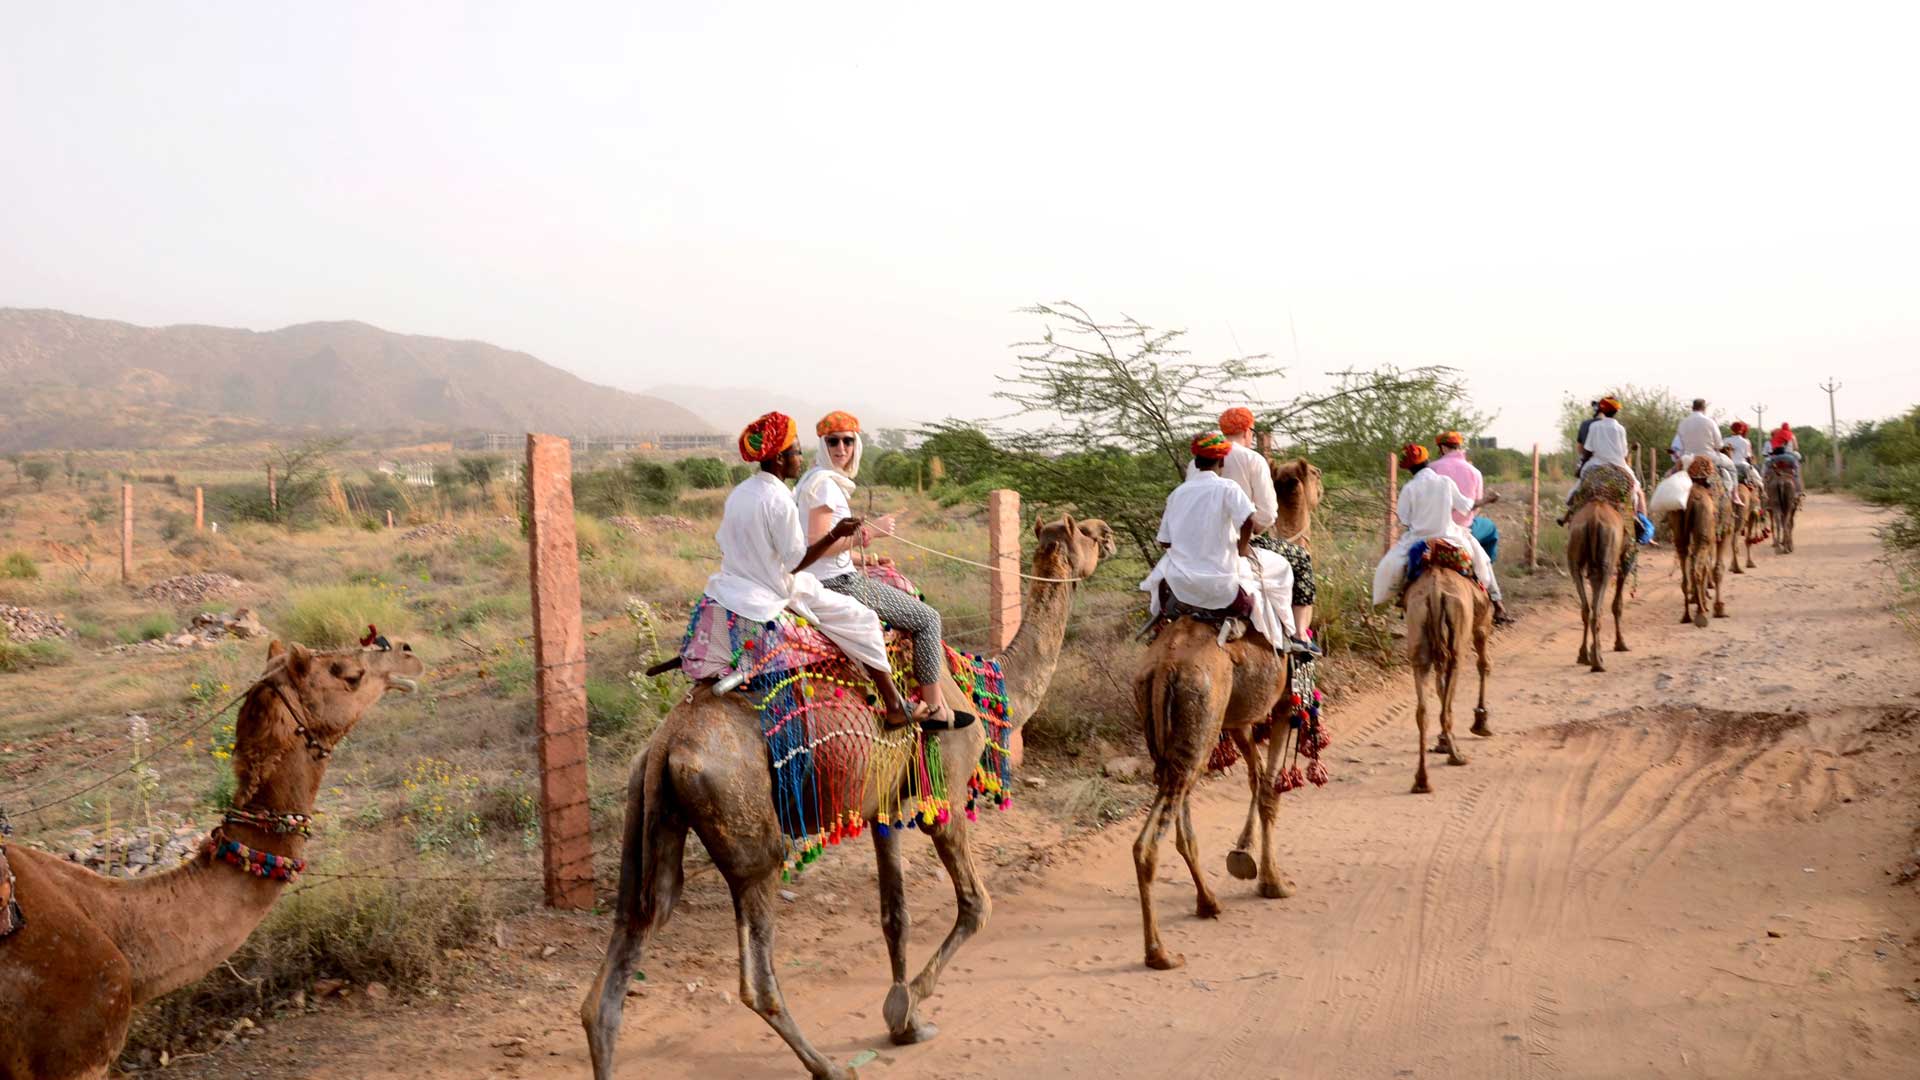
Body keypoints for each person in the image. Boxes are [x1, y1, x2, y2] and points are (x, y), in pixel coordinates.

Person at [705, 411, 931, 728]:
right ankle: (894, 705)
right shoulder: (779, 499)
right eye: (797, 452)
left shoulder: (741, 492)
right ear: (780, 459)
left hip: (730, 586)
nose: (802, 458)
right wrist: (838, 536)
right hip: (773, 589)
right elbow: (798, 560)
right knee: (863, 619)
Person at [794, 410, 952, 722]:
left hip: (826, 575)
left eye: (848, 441)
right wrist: (870, 534)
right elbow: (818, 544)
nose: (842, 449)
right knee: (928, 619)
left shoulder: (815, 481)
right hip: (837, 583)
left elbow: (820, 548)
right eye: (834, 442)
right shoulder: (825, 486)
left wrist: (869, 559)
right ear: (823, 445)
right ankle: (935, 710)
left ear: (857, 444)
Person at [1141, 431, 1307, 654]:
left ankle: (1161, 624)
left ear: (1196, 462)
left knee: (1162, 573)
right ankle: (1290, 635)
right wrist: (1242, 548)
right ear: (1221, 461)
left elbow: (1164, 541)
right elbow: (1249, 519)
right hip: (1221, 584)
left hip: (1180, 583)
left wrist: (1187, 549)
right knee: (1284, 568)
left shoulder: (1178, 493)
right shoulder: (1228, 488)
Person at [1209, 406, 1316, 642]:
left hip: (1202, 545)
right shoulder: (1251, 458)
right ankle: (1300, 635)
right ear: (1248, 431)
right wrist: (1256, 529)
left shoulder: (1200, 461)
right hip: (1240, 542)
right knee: (1301, 560)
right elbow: (1267, 514)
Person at [1372, 443, 1506, 621]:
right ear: (1427, 461)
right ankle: (1492, 599)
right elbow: (1466, 506)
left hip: (1418, 540)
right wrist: (1487, 500)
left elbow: (1404, 519)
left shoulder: (1409, 488)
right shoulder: (1446, 482)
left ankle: (1396, 600)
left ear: (1409, 468)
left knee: (1388, 567)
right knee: (1481, 561)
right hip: (1451, 537)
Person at [1427, 431, 1514, 623]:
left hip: (1433, 527)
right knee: (1488, 534)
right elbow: (1475, 507)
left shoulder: (1432, 469)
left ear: (1442, 448)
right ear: (1459, 447)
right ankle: (1496, 600)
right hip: (1464, 527)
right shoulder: (1474, 472)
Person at [1570, 397, 1653, 542]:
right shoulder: (1620, 428)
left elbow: (1588, 450)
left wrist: (1582, 464)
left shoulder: (1594, 427)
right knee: (1637, 492)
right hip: (1618, 465)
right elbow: (1623, 452)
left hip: (1595, 464)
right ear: (1616, 411)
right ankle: (1639, 522)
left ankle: (1570, 514)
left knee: (1579, 489)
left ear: (1602, 410)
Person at [1675, 398, 1740, 505]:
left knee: (1671, 474)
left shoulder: (1683, 423)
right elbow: (1719, 444)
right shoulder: (1710, 422)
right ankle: (1735, 495)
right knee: (1732, 467)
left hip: (1688, 459)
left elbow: (1680, 444)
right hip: (1709, 457)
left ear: (1692, 408)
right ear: (1704, 408)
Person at [1767, 422, 1806, 496]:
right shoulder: (1792, 435)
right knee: (1797, 469)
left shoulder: (1778, 435)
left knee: (1768, 468)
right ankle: (1799, 490)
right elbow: (1796, 448)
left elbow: (1774, 448)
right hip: (1789, 456)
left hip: (1777, 456)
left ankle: (1765, 485)